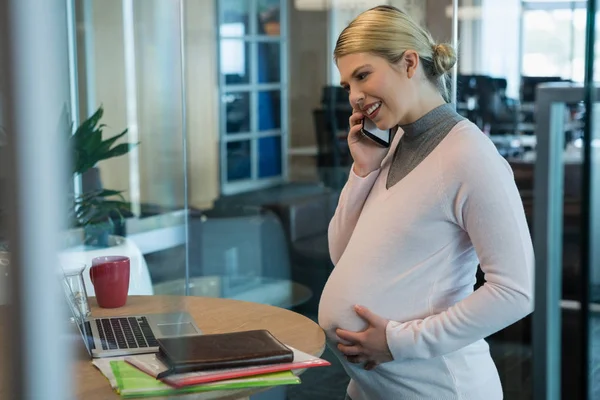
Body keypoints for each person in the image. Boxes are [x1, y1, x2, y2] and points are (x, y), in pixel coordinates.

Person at [317, 5, 534, 400]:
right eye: (348, 85)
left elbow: (516, 292)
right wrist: (363, 171)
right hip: (372, 388)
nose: (354, 97)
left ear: (410, 63)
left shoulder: (471, 156)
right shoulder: (395, 141)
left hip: (439, 389)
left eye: (363, 76)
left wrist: (399, 341)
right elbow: (341, 255)